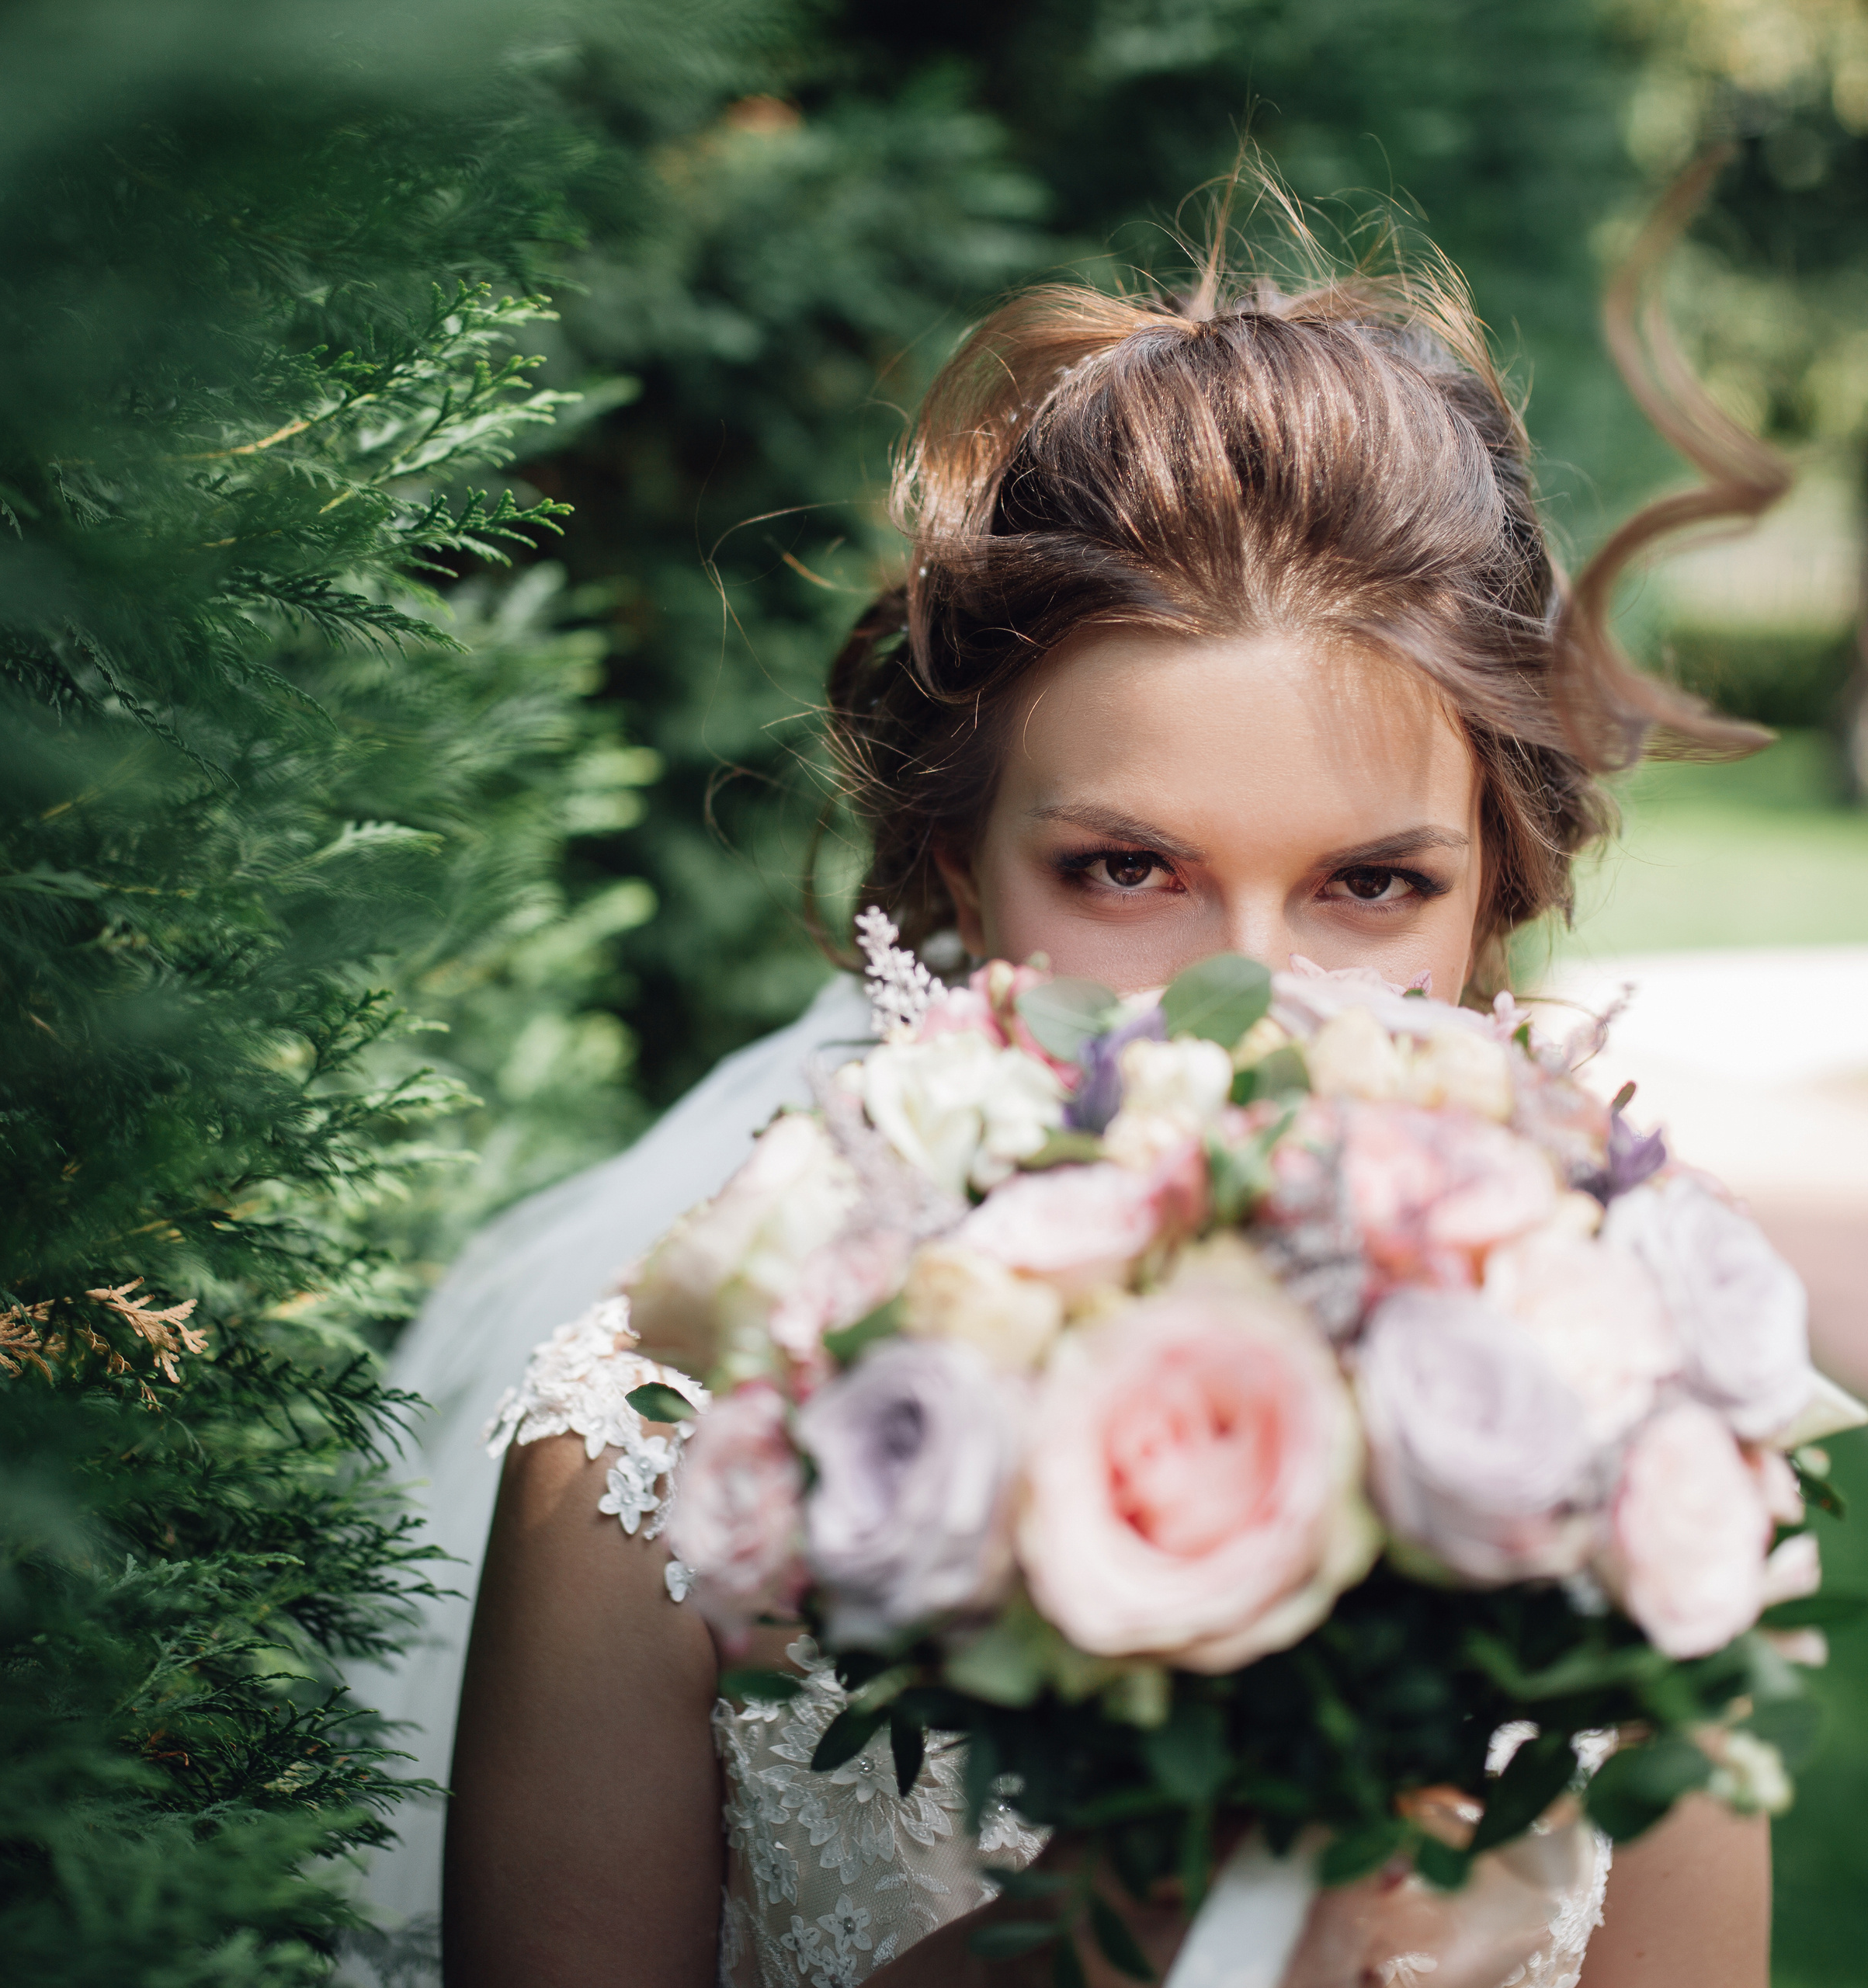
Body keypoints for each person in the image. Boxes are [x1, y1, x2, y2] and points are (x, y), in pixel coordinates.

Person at [396, 163, 1787, 1988]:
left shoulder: (1630, 1435)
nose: (1248, 999)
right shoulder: (651, 1460)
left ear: (1491, 892)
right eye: (1126, 868)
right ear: (957, 871)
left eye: (1370, 883)